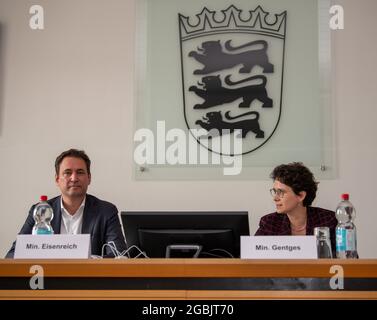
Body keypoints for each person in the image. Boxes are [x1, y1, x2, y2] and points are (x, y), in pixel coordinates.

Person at [6, 148, 127, 258]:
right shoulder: (41, 210)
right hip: (46, 278)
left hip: (89, 280)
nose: (74, 178)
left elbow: (119, 256)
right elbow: (12, 255)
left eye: (80, 172)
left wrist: (90, 260)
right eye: (67, 172)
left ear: (89, 178)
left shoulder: (106, 211)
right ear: (57, 179)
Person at [255, 162, 337, 253]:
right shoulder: (269, 223)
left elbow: (346, 260)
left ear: (301, 196)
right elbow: (253, 257)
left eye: (281, 192)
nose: (275, 198)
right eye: (275, 191)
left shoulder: (329, 220)